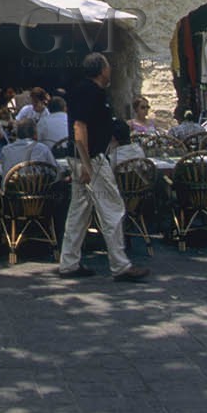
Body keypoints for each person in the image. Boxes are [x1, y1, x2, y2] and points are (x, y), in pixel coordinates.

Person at [57, 54, 150, 282]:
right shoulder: (91, 93)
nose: (111, 69)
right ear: (101, 70)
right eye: (108, 66)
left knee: (78, 212)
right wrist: (87, 164)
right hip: (92, 161)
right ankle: (120, 265)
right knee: (113, 209)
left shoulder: (84, 91)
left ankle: (69, 263)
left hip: (81, 159)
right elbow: (80, 128)